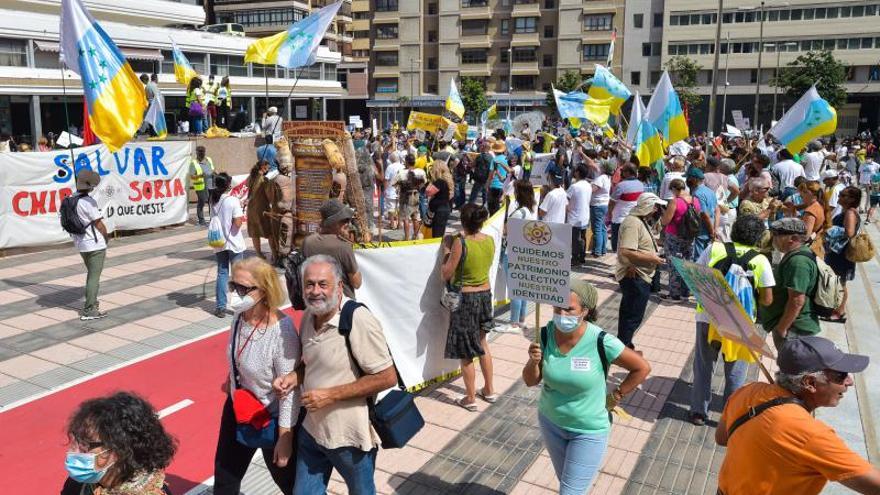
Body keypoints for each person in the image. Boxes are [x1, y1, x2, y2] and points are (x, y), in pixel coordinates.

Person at [281, 255, 398, 495]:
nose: (315, 291)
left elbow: (387, 377)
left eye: (323, 284)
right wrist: (296, 375)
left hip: (349, 438)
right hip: (312, 430)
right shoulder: (308, 317)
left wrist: (331, 395)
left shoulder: (358, 320)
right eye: (309, 284)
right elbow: (311, 363)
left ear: (339, 287)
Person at [521, 279, 651, 494]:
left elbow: (642, 368)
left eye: (569, 309)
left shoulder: (601, 341)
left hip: (588, 431)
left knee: (570, 492)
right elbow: (530, 380)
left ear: (585, 311)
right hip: (551, 422)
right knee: (567, 484)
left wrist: (617, 394)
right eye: (557, 307)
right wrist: (533, 362)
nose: (561, 314)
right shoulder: (545, 334)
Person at [715, 336, 880, 495]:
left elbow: (721, 438)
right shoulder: (812, 435)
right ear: (809, 383)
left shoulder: (748, 390)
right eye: (841, 375)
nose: (849, 381)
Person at [213, 257, 299, 495]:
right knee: (225, 479)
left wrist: (285, 438)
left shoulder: (282, 330)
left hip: (268, 417)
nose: (235, 293)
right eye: (233, 286)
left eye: (242, 288)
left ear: (264, 290)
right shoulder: (239, 318)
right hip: (238, 408)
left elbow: (289, 391)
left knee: (289, 483)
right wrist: (232, 380)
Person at [688, 215, 775, 426]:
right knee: (736, 370)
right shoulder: (760, 260)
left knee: (704, 364)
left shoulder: (714, 248)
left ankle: (699, 411)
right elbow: (767, 299)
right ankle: (730, 416)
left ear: (734, 230)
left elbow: (695, 277)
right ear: (758, 237)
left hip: (709, 317)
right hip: (740, 322)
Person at [61, 392, 176, 495]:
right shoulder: (81, 483)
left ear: (119, 450)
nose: (73, 452)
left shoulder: (154, 492)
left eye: (85, 444)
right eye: (76, 440)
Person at [441, 204, 497, 411]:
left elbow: (446, 273)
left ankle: (470, 398)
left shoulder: (460, 243)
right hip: (485, 295)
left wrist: (447, 249)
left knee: (466, 351)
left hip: (466, 299)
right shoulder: (490, 240)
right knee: (482, 343)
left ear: (463, 222)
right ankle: (489, 390)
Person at [615, 193, 666, 349]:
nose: (657, 210)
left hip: (639, 274)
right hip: (635, 275)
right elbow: (626, 251)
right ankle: (623, 347)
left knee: (631, 314)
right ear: (648, 206)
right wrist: (652, 259)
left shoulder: (640, 221)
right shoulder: (633, 223)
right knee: (632, 316)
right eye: (656, 206)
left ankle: (624, 344)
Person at [760, 218, 820, 350]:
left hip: (795, 330)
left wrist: (781, 329)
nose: (773, 238)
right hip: (792, 327)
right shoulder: (795, 254)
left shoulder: (798, 262)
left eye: (777, 235)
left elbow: (797, 301)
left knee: (790, 369)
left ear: (792, 238)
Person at [301, 199, 363, 299]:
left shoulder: (307, 242)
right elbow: (357, 283)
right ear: (334, 222)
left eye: (349, 220)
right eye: (344, 220)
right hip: (341, 302)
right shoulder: (343, 247)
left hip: (315, 299)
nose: (348, 223)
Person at [69, 170, 109, 321]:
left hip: (80, 244)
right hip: (94, 244)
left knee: (91, 274)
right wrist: (106, 238)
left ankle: (92, 302)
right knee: (94, 277)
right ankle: (90, 309)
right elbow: (99, 223)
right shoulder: (88, 202)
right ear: (90, 186)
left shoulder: (69, 199)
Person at [210, 173, 246, 318]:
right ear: (228, 185)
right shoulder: (232, 200)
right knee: (239, 275)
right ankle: (240, 307)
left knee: (222, 273)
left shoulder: (212, 199)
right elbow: (237, 224)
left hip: (219, 242)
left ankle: (220, 307)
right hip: (234, 242)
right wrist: (240, 211)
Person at [502, 180, 537, 331]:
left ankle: (514, 322)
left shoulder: (518, 213)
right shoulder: (529, 212)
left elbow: (505, 231)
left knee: (515, 289)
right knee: (522, 289)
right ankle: (521, 319)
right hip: (523, 253)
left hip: (512, 253)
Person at [824, 186, 862, 322]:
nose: (839, 197)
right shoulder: (848, 211)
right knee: (839, 282)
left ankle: (840, 312)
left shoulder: (850, 213)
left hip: (841, 254)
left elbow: (849, 232)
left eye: (842, 195)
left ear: (852, 199)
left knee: (841, 283)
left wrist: (830, 229)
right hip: (839, 253)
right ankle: (837, 309)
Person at [660, 178, 699, 301]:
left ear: (674, 189)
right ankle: (686, 292)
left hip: (674, 236)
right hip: (690, 236)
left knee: (674, 264)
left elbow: (665, 221)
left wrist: (662, 214)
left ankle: (674, 294)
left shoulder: (675, 202)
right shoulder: (695, 200)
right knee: (687, 264)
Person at [609, 164, 644, 252]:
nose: (621, 173)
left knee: (618, 246)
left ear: (627, 172)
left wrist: (609, 214)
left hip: (619, 219)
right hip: (634, 218)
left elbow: (612, 202)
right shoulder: (641, 185)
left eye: (622, 171)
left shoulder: (621, 186)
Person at [687, 167, 720, 260]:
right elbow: (717, 210)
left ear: (694, 179)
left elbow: (704, 215)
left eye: (689, 178)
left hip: (702, 232)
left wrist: (712, 232)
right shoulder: (710, 191)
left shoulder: (697, 194)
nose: (687, 180)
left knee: (699, 259)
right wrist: (715, 229)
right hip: (711, 229)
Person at [246, 160, 275, 260]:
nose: (269, 169)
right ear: (263, 167)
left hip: (251, 209)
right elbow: (270, 196)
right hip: (262, 209)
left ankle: (258, 253)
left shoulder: (250, 177)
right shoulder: (264, 180)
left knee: (255, 233)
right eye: (268, 168)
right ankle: (274, 254)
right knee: (270, 232)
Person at [787, 180, 825, 256]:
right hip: (817, 245)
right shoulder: (818, 205)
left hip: (810, 249)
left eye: (804, 192)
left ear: (811, 194)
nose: (800, 195)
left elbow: (805, 236)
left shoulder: (810, 211)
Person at [393, 154, 427, 240]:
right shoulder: (421, 172)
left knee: (406, 218)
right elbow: (424, 183)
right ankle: (415, 236)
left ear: (406, 162)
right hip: (416, 195)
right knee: (415, 217)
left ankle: (407, 237)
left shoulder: (401, 173)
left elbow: (394, 183)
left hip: (405, 196)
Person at [567, 164, 592, 266]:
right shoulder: (588, 185)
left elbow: (566, 198)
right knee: (582, 237)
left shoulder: (574, 186)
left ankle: (575, 259)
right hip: (585, 215)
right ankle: (582, 257)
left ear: (577, 173)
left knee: (575, 239)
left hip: (575, 217)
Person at [424, 161, 452, 238]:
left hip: (439, 210)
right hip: (445, 208)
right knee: (440, 232)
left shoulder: (440, 181)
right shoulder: (446, 180)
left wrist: (429, 182)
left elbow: (428, 192)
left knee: (437, 234)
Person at [590, 161, 612, 257]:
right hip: (604, 204)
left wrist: (588, 184)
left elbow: (592, 190)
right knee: (602, 227)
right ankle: (603, 249)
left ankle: (597, 250)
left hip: (597, 205)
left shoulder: (601, 178)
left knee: (597, 228)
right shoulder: (607, 178)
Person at [190, 145, 215, 226]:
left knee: (211, 203)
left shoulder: (209, 160)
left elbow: (213, 170)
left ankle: (212, 219)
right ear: (196, 153)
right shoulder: (194, 163)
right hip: (201, 186)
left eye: (202, 152)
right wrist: (200, 176)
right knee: (202, 202)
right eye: (199, 152)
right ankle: (201, 220)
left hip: (211, 185)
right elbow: (192, 176)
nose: (201, 153)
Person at [383, 151, 404, 230]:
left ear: (391, 159)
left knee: (391, 208)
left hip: (391, 190)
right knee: (399, 208)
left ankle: (392, 224)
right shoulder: (403, 166)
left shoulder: (390, 167)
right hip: (401, 191)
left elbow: (386, 179)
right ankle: (399, 224)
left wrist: (385, 190)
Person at [469, 141, 492, 205]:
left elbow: (473, 165)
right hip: (486, 177)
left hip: (479, 178)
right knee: (485, 194)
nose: (480, 147)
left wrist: (470, 162)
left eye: (482, 146)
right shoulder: (491, 157)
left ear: (484, 147)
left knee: (474, 194)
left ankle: (470, 207)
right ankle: (485, 206)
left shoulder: (479, 156)